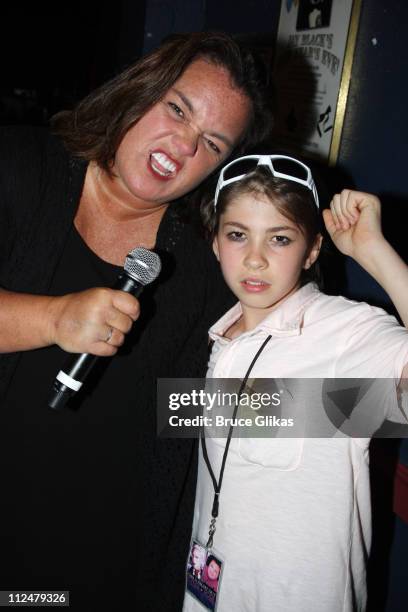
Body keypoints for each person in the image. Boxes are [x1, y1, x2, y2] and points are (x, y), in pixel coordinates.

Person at [0, 33, 274, 612]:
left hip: (101, 572)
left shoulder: (201, 269)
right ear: (140, 87)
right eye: (178, 109)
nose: (183, 144)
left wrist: (365, 404)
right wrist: (53, 318)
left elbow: (186, 408)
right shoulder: (18, 170)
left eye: (212, 143)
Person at [182, 155, 408, 611]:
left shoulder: (342, 334)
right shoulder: (220, 340)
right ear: (215, 243)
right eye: (238, 234)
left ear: (311, 250)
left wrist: (374, 252)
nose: (255, 258)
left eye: (280, 238)